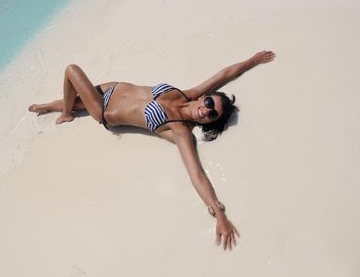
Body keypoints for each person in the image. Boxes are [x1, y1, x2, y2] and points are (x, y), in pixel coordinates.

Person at [29, 50, 275, 250]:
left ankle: (65, 113)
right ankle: (51, 106)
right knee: (79, 94)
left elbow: (196, 174)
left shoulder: (179, 131)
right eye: (209, 103)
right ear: (204, 97)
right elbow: (223, 75)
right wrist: (252, 60)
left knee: (71, 70)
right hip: (110, 88)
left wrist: (219, 213)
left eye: (212, 115)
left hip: (104, 112)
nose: (207, 110)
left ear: (209, 122)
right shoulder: (186, 94)